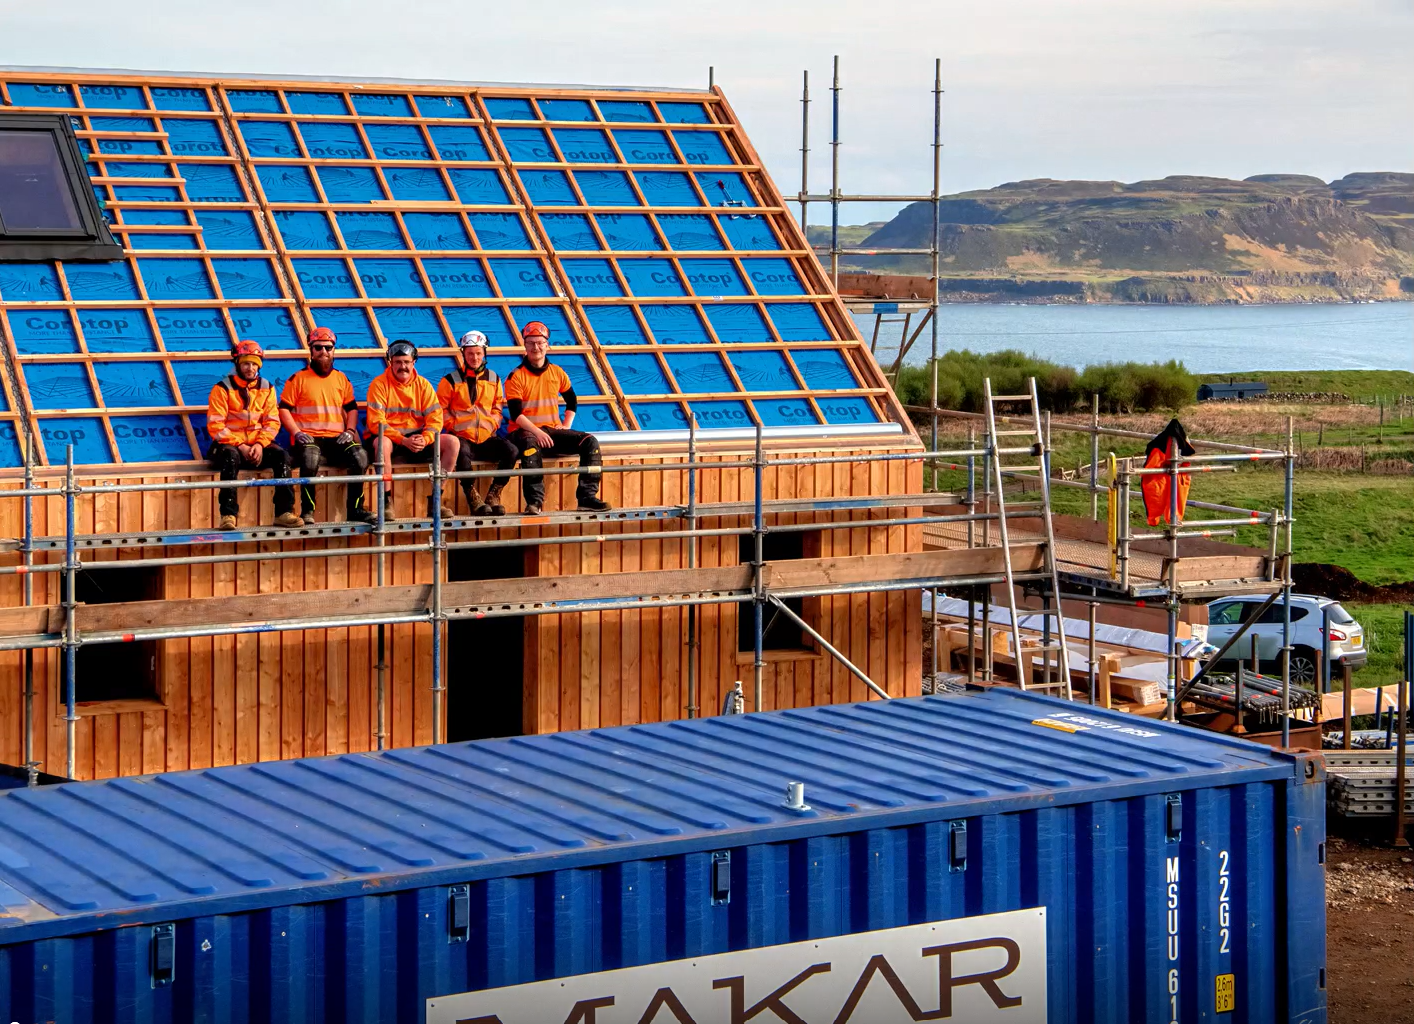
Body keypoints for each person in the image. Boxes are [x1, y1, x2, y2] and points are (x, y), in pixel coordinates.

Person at [505, 320, 611, 514]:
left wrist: (566, 426)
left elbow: (572, 401)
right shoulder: (516, 376)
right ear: (525, 345)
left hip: (551, 431)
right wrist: (537, 432)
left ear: (547, 345)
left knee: (590, 442)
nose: (535, 347)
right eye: (531, 343)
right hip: (524, 432)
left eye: (539, 343)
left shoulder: (557, 373)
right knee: (529, 445)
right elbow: (516, 415)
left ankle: (587, 497)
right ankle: (534, 503)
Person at [278, 326, 375, 525]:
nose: (323, 352)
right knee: (310, 456)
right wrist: (296, 432)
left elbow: (352, 409)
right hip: (309, 438)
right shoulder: (298, 379)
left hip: (336, 438)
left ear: (333, 350)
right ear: (311, 350)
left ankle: (355, 509)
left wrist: (349, 430)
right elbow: (283, 409)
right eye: (318, 348)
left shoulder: (341, 379)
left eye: (328, 348)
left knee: (360, 455)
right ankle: (307, 510)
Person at [206, 340, 302, 530]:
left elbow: (272, 422)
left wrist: (259, 444)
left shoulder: (267, 387)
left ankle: (284, 512)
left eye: (254, 363)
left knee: (282, 456)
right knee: (230, 457)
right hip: (229, 445)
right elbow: (215, 425)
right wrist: (241, 445)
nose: (250, 368)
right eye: (246, 363)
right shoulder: (222, 388)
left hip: (257, 445)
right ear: (237, 364)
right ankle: (228, 515)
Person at [437, 330, 519, 516]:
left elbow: (498, 408)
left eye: (478, 353)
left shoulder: (494, 378)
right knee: (462, 453)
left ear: (484, 354)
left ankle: (494, 494)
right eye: (470, 353)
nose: (474, 357)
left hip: (486, 436)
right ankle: (472, 495)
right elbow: (440, 410)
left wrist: (493, 424)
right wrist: (454, 426)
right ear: (463, 354)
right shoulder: (449, 380)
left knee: (512, 451)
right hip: (462, 437)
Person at [363, 339, 445, 521]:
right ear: (390, 362)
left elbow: (436, 418)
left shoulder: (423, 385)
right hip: (392, 439)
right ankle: (386, 501)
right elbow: (376, 423)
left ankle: (437, 499)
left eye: (406, 362)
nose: (403, 366)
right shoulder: (379, 384)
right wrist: (403, 440)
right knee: (382, 443)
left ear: (413, 362)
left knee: (452, 443)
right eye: (398, 362)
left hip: (416, 438)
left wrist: (426, 438)